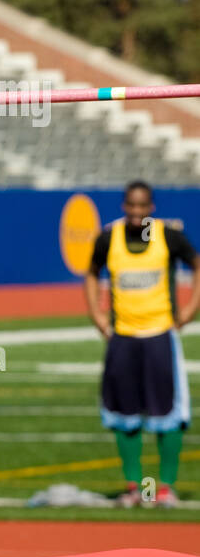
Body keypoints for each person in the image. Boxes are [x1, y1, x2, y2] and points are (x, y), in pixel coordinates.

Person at [85, 181, 197, 508]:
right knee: (123, 413)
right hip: (122, 337)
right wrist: (96, 314)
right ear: (124, 206)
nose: (137, 213)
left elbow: (197, 264)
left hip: (160, 335)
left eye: (142, 207)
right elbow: (91, 273)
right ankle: (133, 486)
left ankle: (166, 488)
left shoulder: (169, 237)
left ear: (151, 208)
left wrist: (190, 309)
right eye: (131, 207)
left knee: (169, 414)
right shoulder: (109, 238)